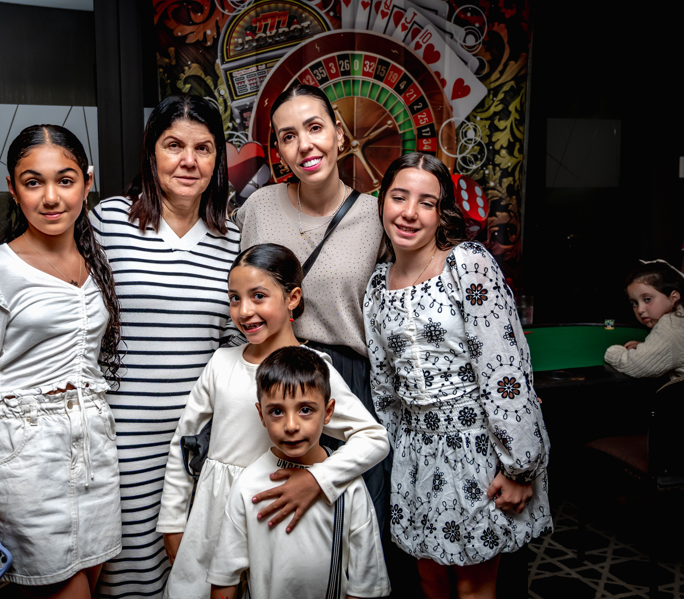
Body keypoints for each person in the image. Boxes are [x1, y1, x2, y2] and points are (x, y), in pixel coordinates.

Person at [0, 95, 346, 598]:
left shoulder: (233, 238)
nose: (188, 161)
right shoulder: (106, 222)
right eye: (173, 145)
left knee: (201, 571)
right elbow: (54, 294)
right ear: (151, 152)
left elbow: (243, 336)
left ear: (217, 159)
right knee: (124, 574)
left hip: (205, 438)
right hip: (116, 440)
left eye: (203, 148)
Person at [0, 125, 123, 596]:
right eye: (33, 182)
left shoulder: (96, 262)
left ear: (87, 182)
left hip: (95, 457)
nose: (51, 197)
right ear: (12, 188)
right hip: (27, 464)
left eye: (65, 180)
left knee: (90, 585)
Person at [363, 153, 552, 599]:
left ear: (441, 212)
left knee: (473, 586)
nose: (409, 212)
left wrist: (519, 466)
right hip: (416, 454)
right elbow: (384, 386)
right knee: (429, 581)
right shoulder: (376, 286)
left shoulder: (467, 263)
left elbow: (505, 367)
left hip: (478, 449)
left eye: (426, 202)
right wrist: (395, 459)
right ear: (383, 202)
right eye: (399, 197)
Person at [157, 244, 389, 598]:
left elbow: (373, 438)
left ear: (292, 298)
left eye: (258, 296)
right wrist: (173, 521)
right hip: (215, 517)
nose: (244, 311)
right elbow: (184, 441)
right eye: (234, 298)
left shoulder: (313, 369)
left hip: (278, 513)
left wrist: (317, 479)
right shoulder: (221, 363)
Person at [235, 83, 391, 535]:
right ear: (279, 150)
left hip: (347, 380)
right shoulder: (258, 208)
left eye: (315, 127)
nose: (304, 145)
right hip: (274, 379)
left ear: (339, 133)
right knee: (275, 524)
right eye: (288, 136)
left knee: (353, 525)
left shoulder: (377, 216)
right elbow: (242, 294)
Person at [207, 346, 391, 599]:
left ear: (328, 412)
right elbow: (224, 576)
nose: (291, 426)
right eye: (277, 411)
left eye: (305, 409)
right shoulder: (248, 484)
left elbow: (364, 585)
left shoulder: (350, 487)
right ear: (261, 415)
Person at [604, 260, 684, 380]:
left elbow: (636, 365)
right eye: (634, 303)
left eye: (647, 299)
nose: (640, 309)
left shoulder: (669, 325)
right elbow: (679, 345)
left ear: (673, 297)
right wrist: (649, 347)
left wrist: (613, 352)